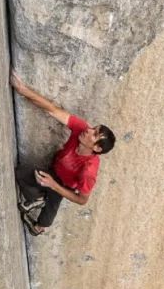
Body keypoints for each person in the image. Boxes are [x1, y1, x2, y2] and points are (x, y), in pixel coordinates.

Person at [10, 70, 116, 235]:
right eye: (93, 128)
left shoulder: (88, 171)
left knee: (46, 216)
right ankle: (38, 199)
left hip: (63, 185)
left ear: (97, 148)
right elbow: (52, 110)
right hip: (53, 171)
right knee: (21, 173)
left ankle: (39, 225)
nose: (89, 130)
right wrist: (23, 90)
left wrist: (53, 185)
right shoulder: (81, 129)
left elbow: (82, 200)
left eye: (94, 134)